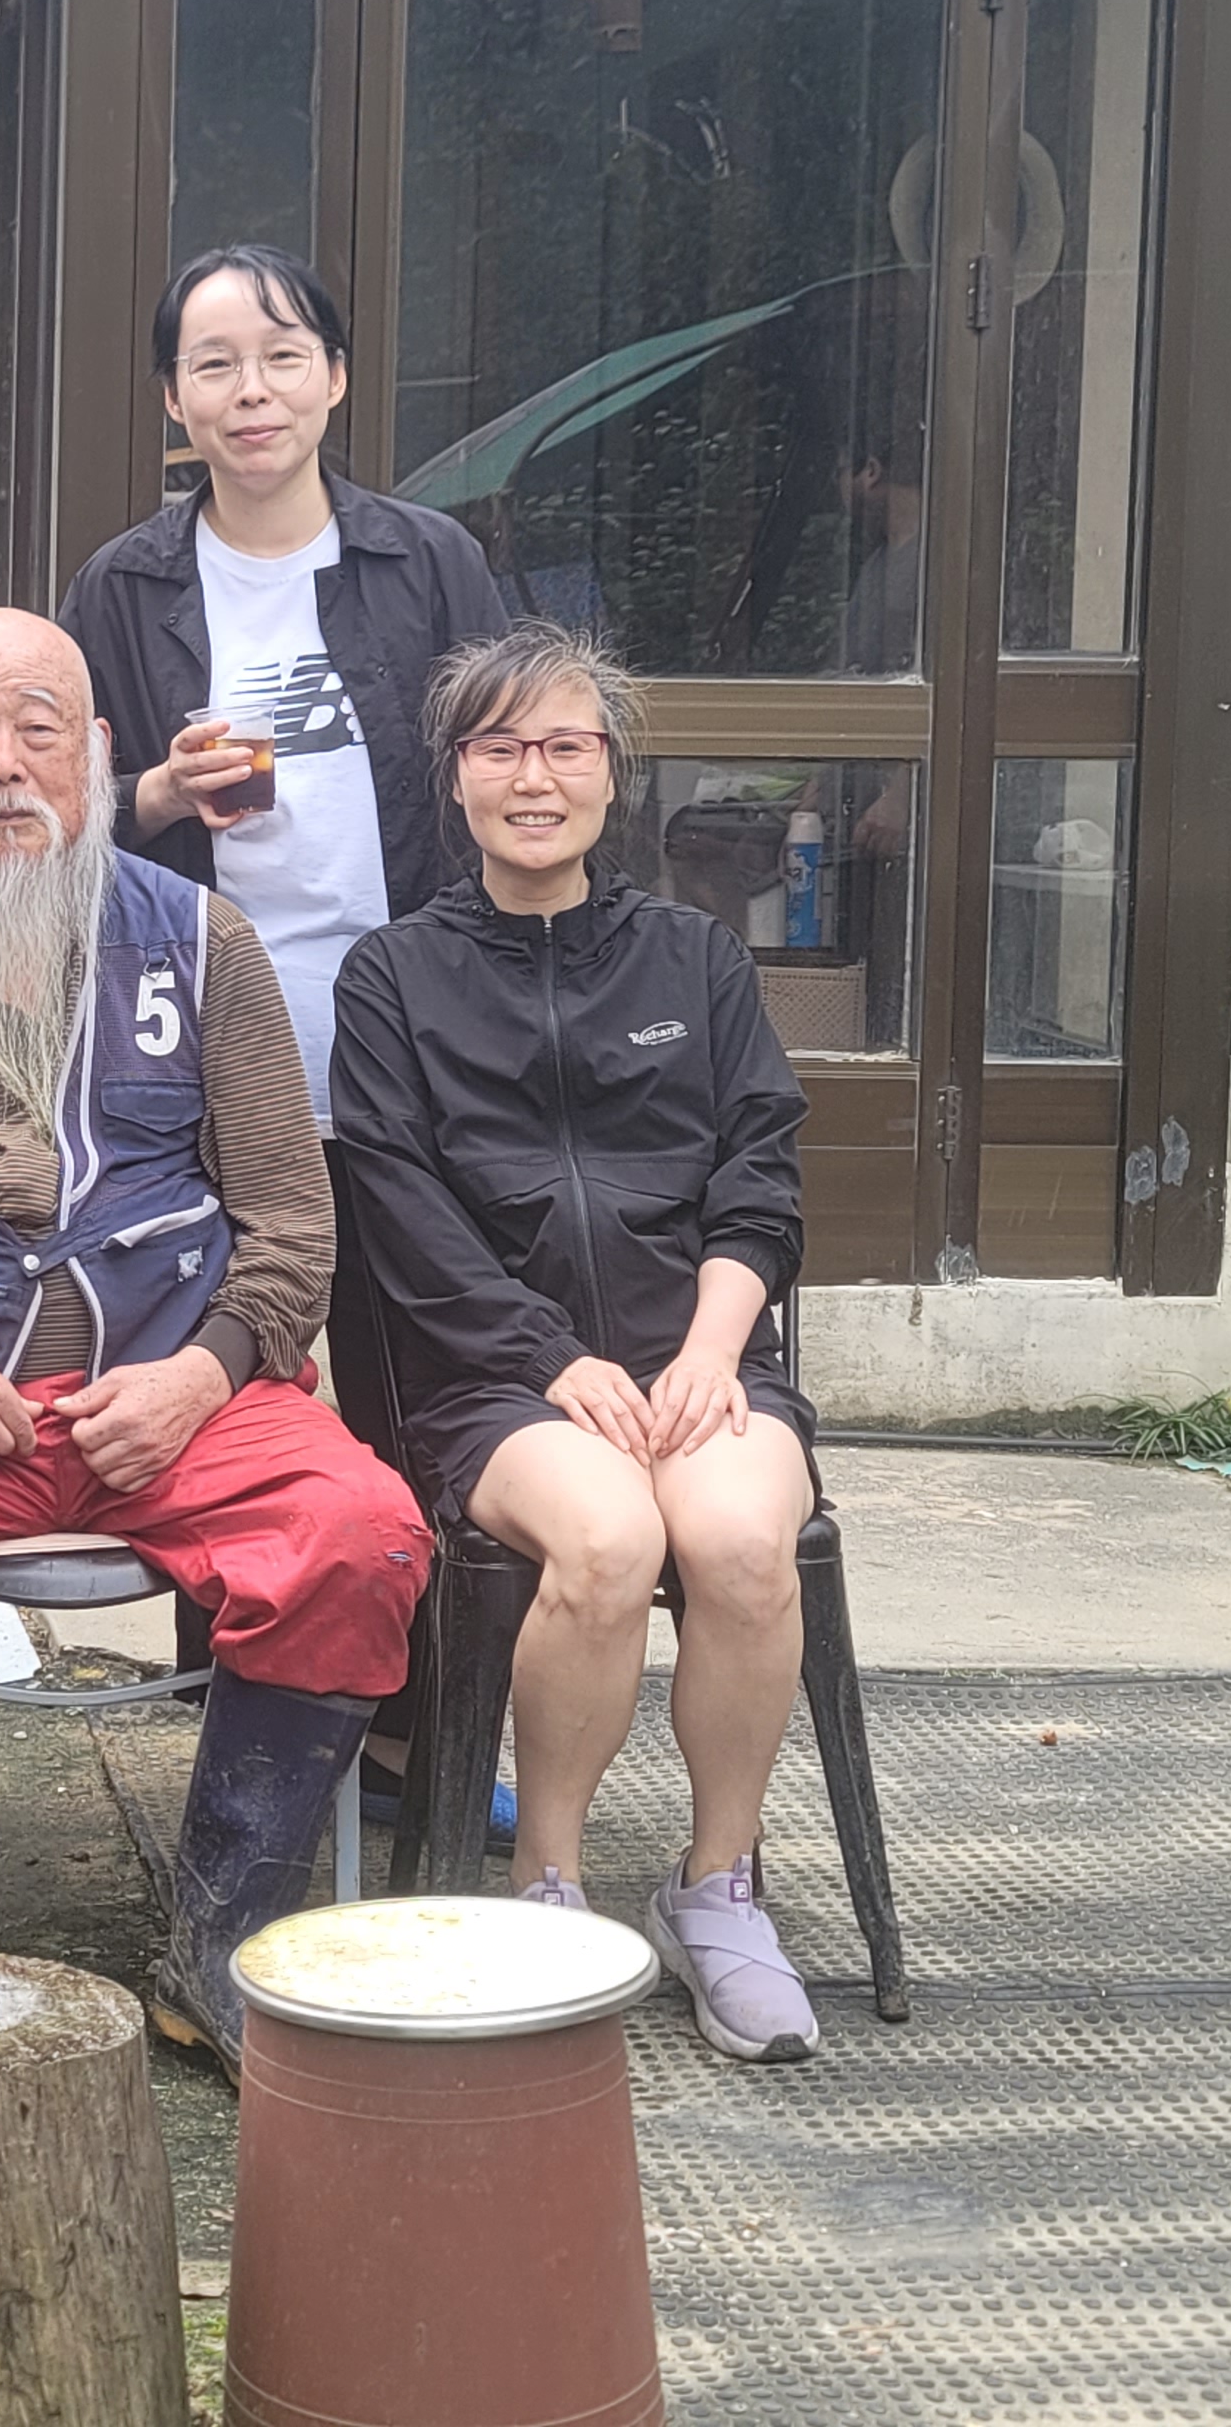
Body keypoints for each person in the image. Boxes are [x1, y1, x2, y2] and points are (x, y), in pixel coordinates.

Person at [0, 609, 432, 2078]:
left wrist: (202, 1374)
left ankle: (222, 1946)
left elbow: (292, 1225)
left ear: (98, 755)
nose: (4, 765)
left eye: (38, 729)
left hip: (177, 1386)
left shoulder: (202, 943)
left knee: (356, 1533)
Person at [327, 618, 829, 2065]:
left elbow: (759, 1176)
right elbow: (400, 1209)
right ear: (456, 777)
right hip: (495, 1381)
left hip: (697, 1358)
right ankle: (548, 1886)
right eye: (500, 748)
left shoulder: (695, 958)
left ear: (613, 773)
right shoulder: (395, 975)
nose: (533, 778)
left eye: (564, 746)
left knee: (740, 1541)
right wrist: (552, 1359)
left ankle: (717, 1891)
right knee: (608, 1540)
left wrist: (713, 1351)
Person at [59, 243, 513, 1839]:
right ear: (172, 401)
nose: (249, 391)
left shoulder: (428, 562)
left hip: (403, 1041)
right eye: (213, 364)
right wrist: (155, 795)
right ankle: (252, 1743)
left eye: (280, 355)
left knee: (410, 1383)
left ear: (332, 377)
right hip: (202, 1051)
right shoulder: (124, 587)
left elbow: (500, 768)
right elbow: (59, 810)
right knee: (225, 1385)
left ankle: (423, 1734)